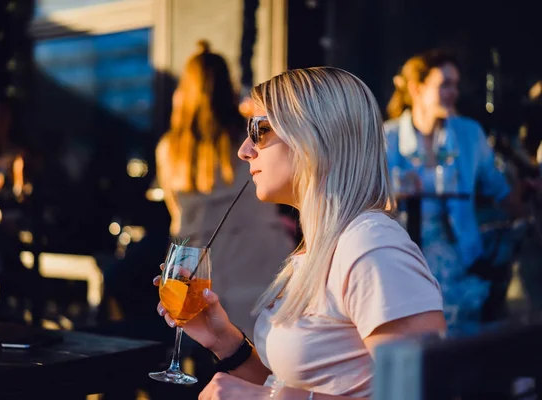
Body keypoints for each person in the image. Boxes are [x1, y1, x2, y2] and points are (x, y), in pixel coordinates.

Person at [154, 67, 446, 398]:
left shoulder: (371, 245)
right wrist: (224, 339)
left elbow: (423, 392)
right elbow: (293, 386)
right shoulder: (319, 250)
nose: (245, 150)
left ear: (314, 138)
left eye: (259, 130)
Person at [154, 41, 292, 337]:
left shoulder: (170, 149)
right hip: (259, 259)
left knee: (208, 346)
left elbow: (174, 212)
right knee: (265, 358)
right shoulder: (250, 136)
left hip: (197, 267)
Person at [384, 49, 524, 330]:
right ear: (416, 88)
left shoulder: (468, 133)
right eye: (444, 84)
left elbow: (499, 189)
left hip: (462, 258)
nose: (452, 93)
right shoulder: (388, 137)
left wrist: (524, 210)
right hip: (405, 259)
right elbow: (370, 202)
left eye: (455, 85)